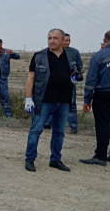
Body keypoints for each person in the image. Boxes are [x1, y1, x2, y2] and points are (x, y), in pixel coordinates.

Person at [24, 29, 78, 173]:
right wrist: (28, 98)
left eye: (55, 38)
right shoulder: (40, 56)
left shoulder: (71, 56)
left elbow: (76, 73)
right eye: (49, 38)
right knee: (36, 130)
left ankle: (55, 159)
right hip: (45, 100)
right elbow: (31, 77)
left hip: (64, 100)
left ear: (62, 40)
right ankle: (29, 159)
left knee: (59, 132)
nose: (52, 40)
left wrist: (75, 77)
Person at [80, 30, 110, 167]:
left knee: (103, 124)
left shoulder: (99, 56)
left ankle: (101, 156)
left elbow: (91, 79)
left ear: (104, 40)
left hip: (103, 93)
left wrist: (87, 99)